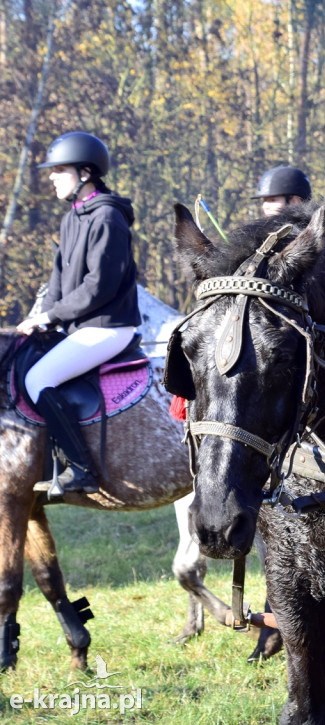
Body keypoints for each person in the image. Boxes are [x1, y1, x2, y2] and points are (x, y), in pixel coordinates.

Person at [16, 132, 142, 494]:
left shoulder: (106, 218)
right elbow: (57, 280)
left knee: (38, 379)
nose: (51, 177)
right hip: (77, 328)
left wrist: (50, 317)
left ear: (85, 172)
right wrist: (39, 316)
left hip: (108, 327)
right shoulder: (72, 219)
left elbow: (98, 286)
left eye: (59, 170)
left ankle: (82, 469)